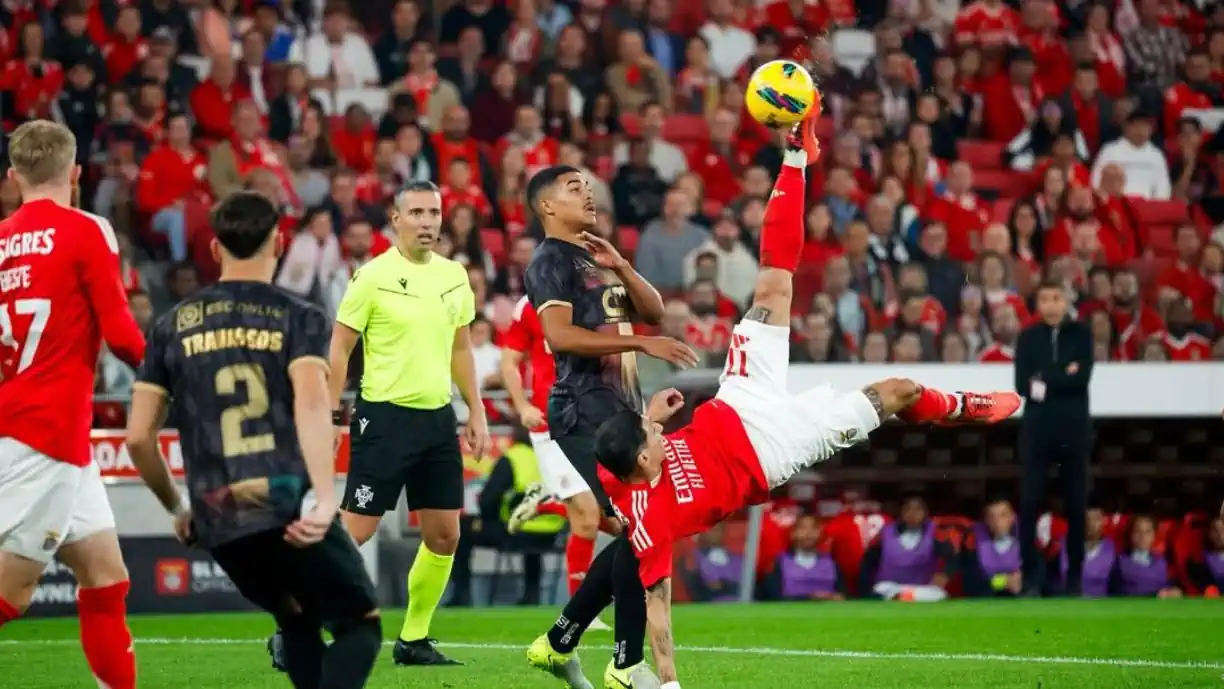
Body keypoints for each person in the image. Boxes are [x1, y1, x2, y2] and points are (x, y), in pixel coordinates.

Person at [590, 116, 1021, 686]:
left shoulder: (618, 463)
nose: (660, 434)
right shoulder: (653, 524)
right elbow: (661, 613)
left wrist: (649, 417)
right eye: (651, 439)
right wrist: (668, 683)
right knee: (899, 392)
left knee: (774, 282)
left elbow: (620, 462)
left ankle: (796, 155)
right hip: (776, 446)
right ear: (644, 463)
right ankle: (964, 406)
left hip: (738, 399)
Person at [125, 192, 381, 689]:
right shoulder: (299, 316)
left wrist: (179, 508)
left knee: (297, 616)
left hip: (217, 514)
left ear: (216, 248)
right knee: (360, 624)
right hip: (284, 501)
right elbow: (311, 401)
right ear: (280, 243)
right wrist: (326, 498)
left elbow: (138, 438)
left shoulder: (170, 324)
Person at [269, 180, 489, 668]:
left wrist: (475, 408)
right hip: (384, 419)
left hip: (437, 420)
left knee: (445, 535)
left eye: (434, 212)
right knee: (354, 534)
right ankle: (294, 624)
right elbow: (341, 346)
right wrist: (328, 414)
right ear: (396, 220)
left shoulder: (454, 276)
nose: (428, 222)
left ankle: (413, 639)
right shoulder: (371, 276)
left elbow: (459, 347)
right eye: (417, 213)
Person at [520, 164, 699, 689]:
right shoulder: (550, 261)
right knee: (639, 529)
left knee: (633, 530)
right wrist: (640, 345)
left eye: (589, 187)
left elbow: (654, 310)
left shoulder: (594, 257)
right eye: (574, 188)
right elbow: (561, 336)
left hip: (618, 407)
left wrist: (620, 263)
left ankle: (557, 644)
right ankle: (623, 664)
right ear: (547, 206)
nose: (588, 194)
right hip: (582, 409)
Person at [0, 120, 145, 689]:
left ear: (13, 177)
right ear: (76, 174)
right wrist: (174, 373)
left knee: (105, 576)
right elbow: (123, 334)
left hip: (31, 425)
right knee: (12, 593)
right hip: (47, 434)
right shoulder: (87, 230)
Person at [498, 293, 610, 630]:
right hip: (551, 423)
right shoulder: (529, 305)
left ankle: (547, 502)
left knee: (617, 523)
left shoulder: (597, 300)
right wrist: (522, 407)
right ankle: (582, 613)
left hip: (593, 422)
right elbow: (508, 361)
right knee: (588, 517)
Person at [1014, 282, 1093, 596]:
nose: (1051, 305)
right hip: (1037, 431)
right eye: (1044, 299)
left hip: (1074, 431)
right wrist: (1064, 374)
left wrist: (1045, 377)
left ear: (1067, 301)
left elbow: (1083, 377)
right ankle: (1031, 578)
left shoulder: (1081, 335)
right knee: (1030, 503)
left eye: (1056, 298)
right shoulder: (1028, 338)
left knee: (1076, 505)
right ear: (1037, 304)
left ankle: (1074, 579)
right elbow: (1022, 384)